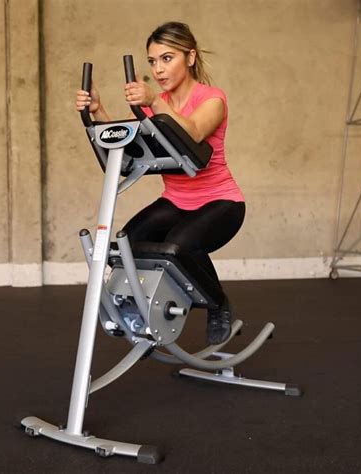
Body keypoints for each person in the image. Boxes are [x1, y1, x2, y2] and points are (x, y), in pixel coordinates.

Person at [76, 22, 245, 345]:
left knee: (180, 245)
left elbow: (193, 133)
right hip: (176, 202)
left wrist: (154, 102)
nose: (158, 69)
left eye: (167, 59)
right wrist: (98, 111)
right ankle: (142, 310)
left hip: (221, 202)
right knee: (129, 243)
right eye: (153, 61)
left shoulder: (212, 99)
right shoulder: (154, 105)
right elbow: (127, 147)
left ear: (190, 57)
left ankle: (218, 305)